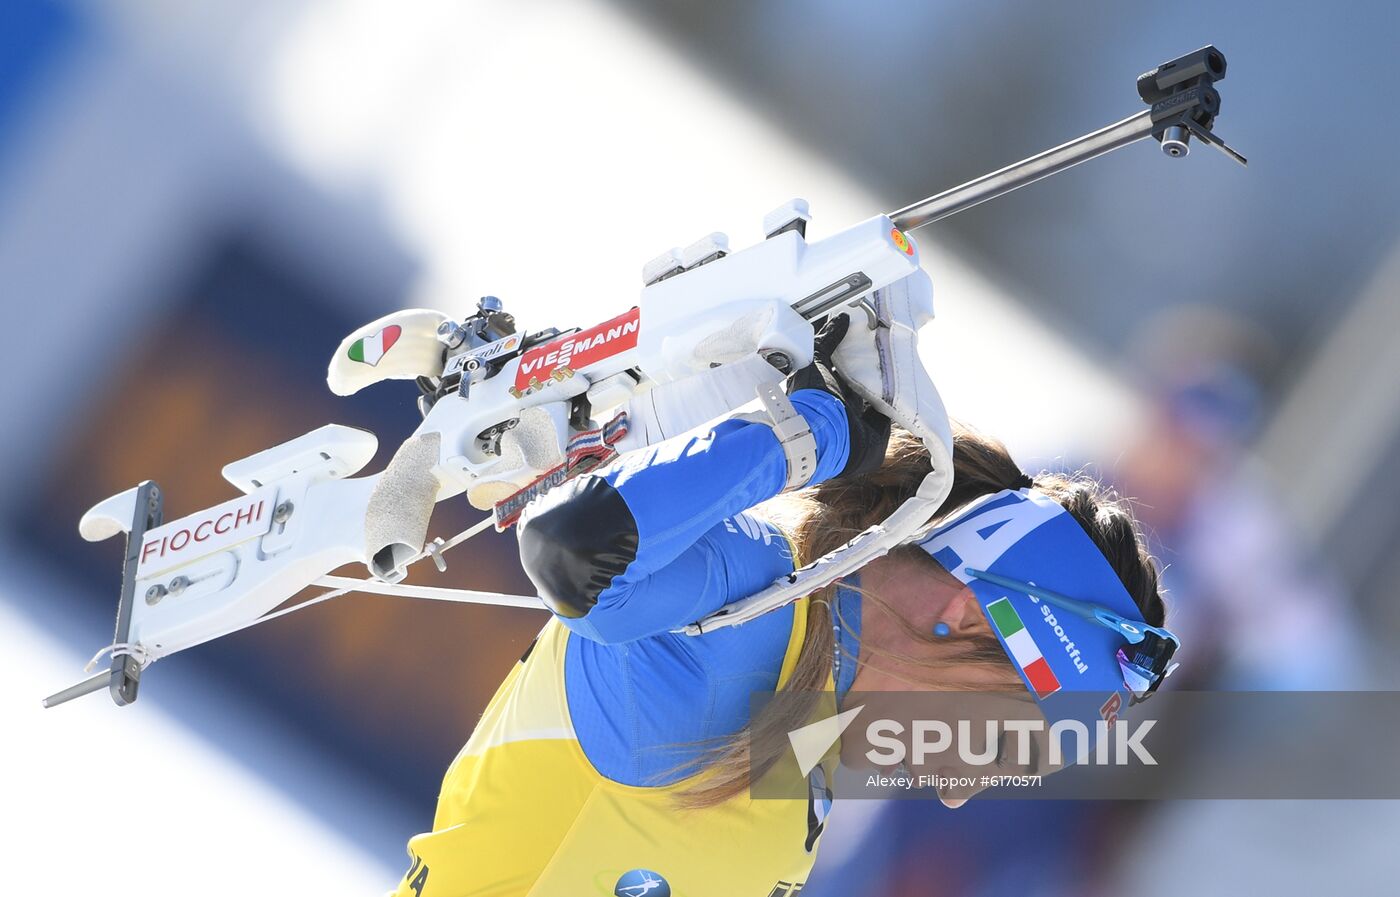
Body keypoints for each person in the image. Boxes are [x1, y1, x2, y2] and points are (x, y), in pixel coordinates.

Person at [389, 275, 1177, 897]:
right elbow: (571, 547)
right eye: (999, 743)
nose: (958, 793)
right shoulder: (752, 624)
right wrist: (819, 431)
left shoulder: (813, 727)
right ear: (969, 614)